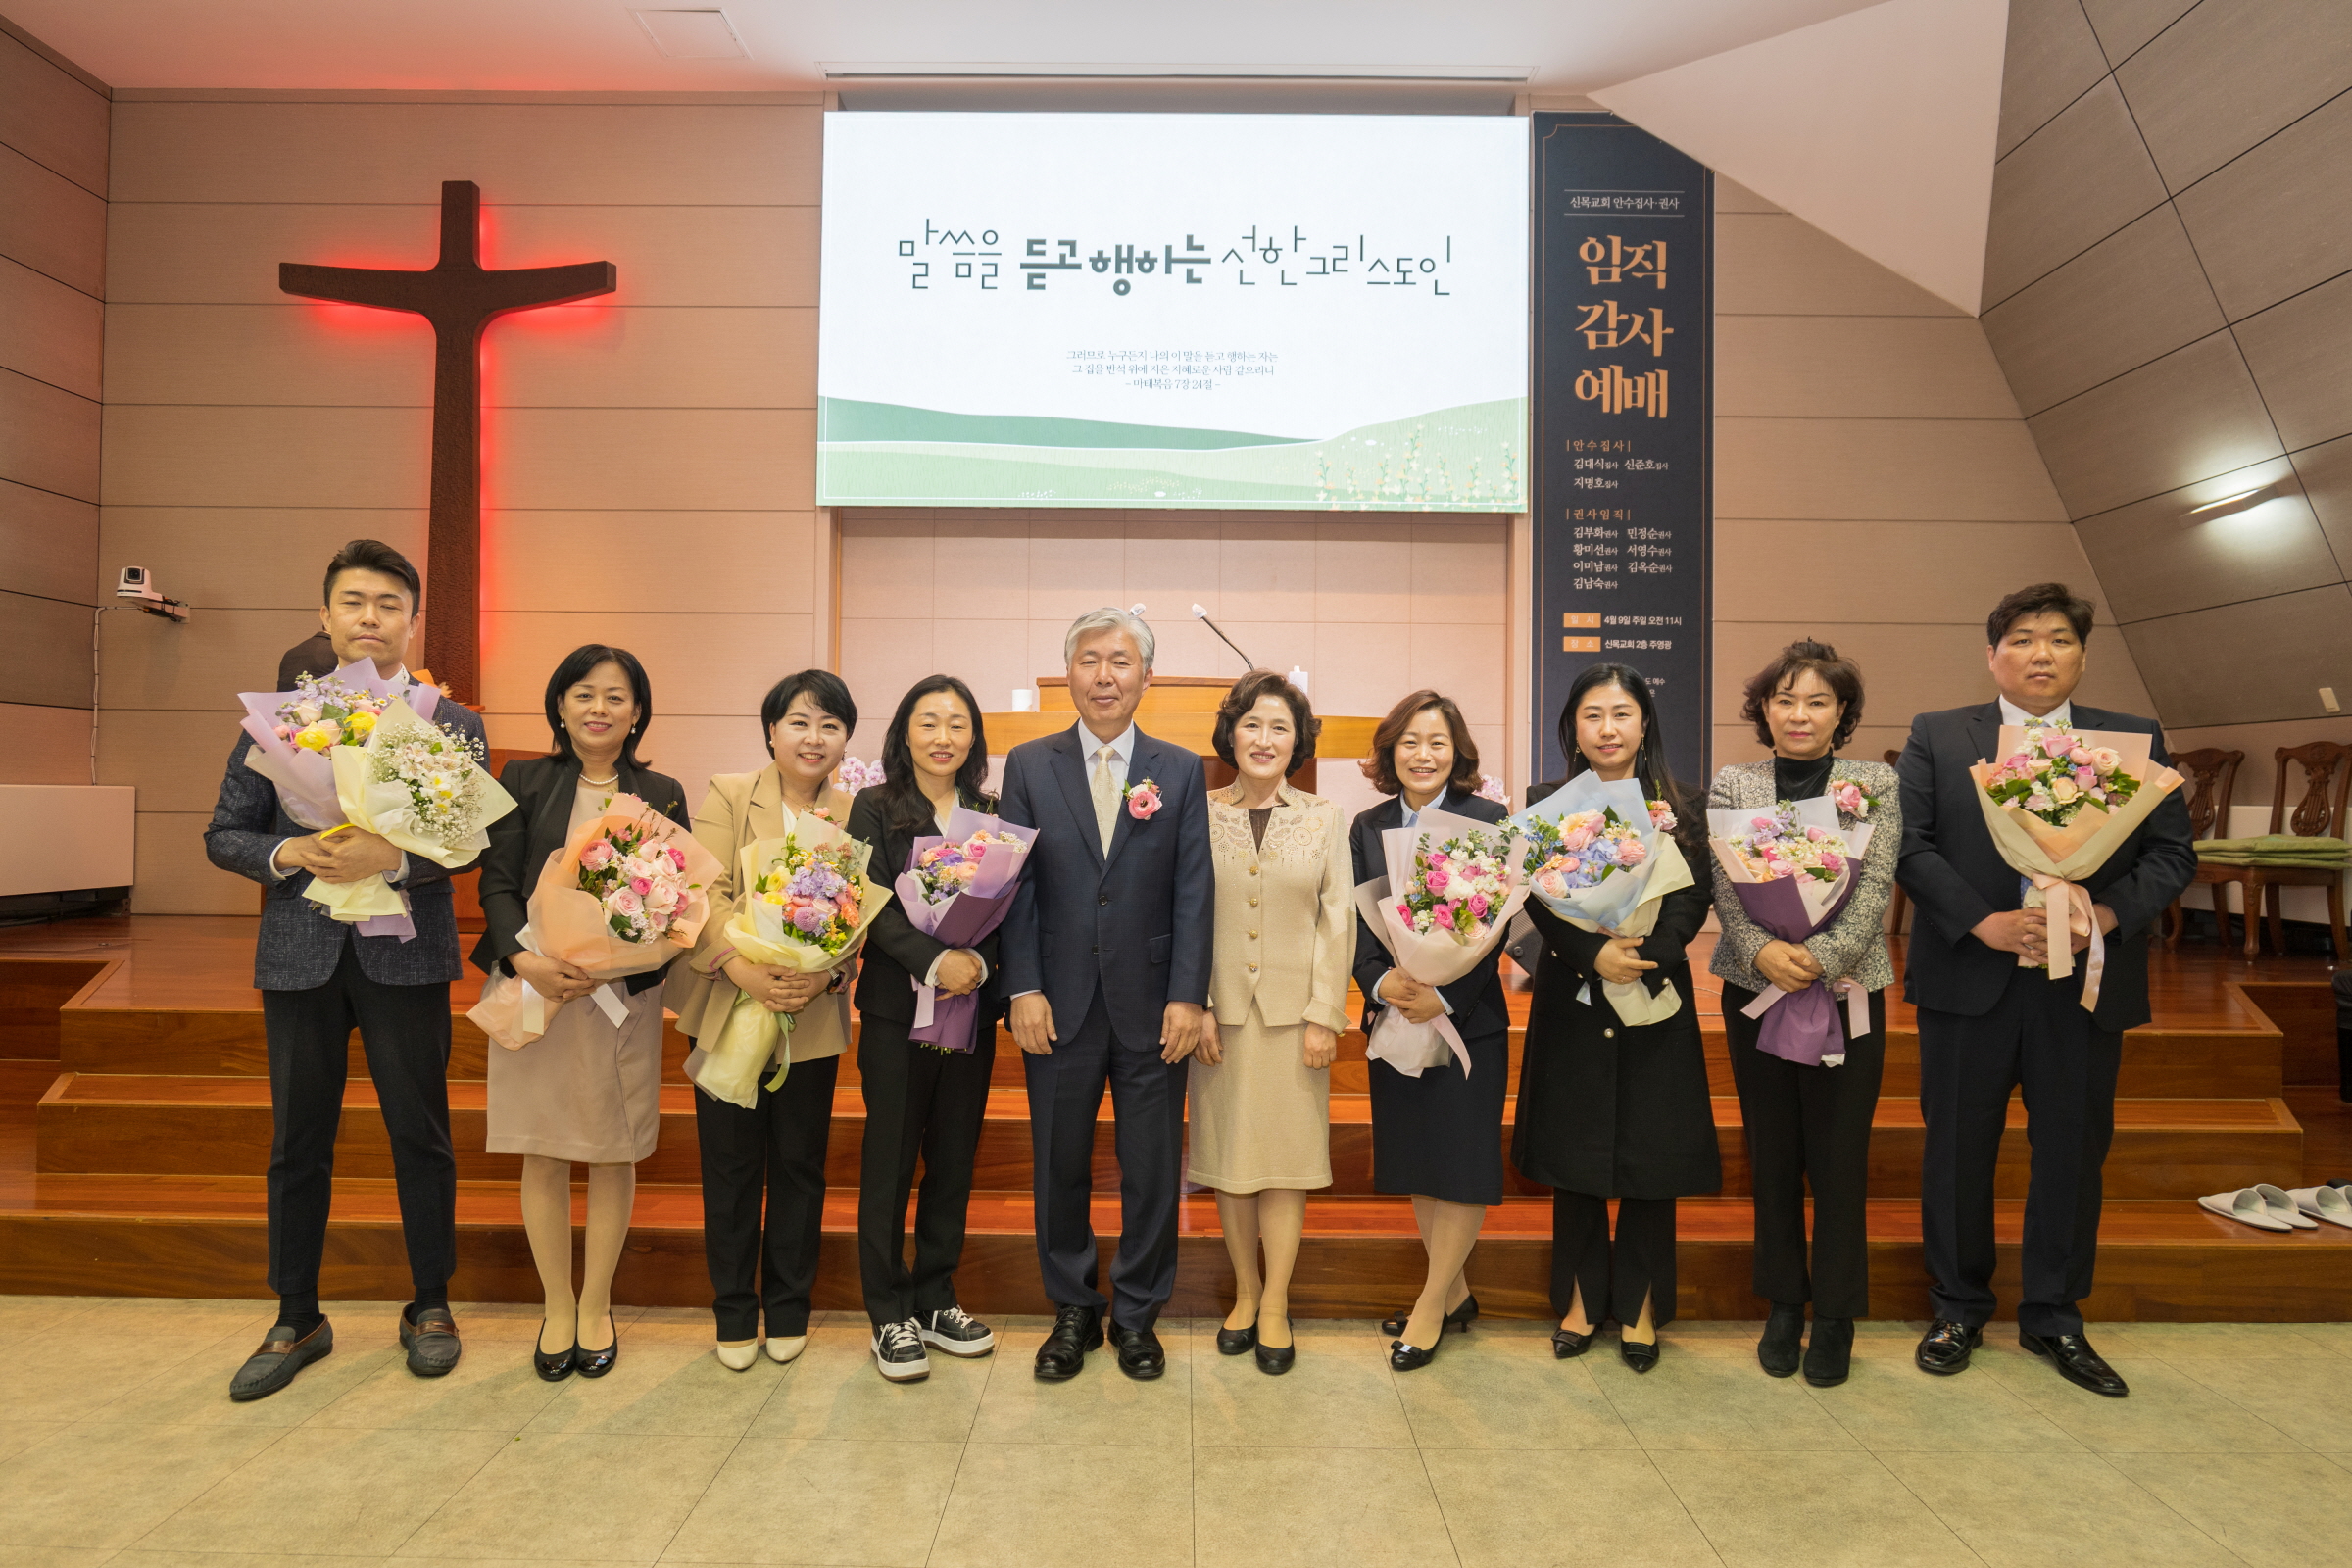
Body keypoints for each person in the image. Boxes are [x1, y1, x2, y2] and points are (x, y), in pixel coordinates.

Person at [204, 539, 487, 1399]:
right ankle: (296, 1315)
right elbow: (225, 833)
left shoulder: (449, 721)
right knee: (298, 1142)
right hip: (302, 953)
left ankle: (430, 1304)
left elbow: (472, 841)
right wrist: (289, 851)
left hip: (406, 954)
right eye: (354, 602)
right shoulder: (280, 720)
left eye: (389, 604)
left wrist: (392, 857)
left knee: (421, 1135)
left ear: (412, 621)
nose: (371, 618)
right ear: (324, 616)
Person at [1898, 584, 2194, 1397]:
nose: (2041, 654)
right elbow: (1911, 845)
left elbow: (2172, 854)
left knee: (2072, 1149)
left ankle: (2055, 1315)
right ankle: (1958, 1307)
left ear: (2082, 657)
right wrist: (1983, 923)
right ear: (1992, 654)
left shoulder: (2131, 739)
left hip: (2082, 986)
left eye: (2059, 640)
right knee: (1956, 1150)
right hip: (1972, 977)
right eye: (2023, 639)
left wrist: (2104, 915)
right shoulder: (1938, 735)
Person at [999, 607, 1212, 1382]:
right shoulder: (1029, 765)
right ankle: (1073, 1310)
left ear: (1147, 677)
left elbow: (1194, 887)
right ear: (1068, 674)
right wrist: (1022, 985)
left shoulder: (1178, 768)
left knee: (1151, 1168)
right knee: (1058, 1162)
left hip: (1154, 1005)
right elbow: (1013, 886)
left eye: (1120, 662)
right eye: (1089, 660)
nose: (1104, 676)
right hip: (1056, 1002)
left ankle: (1137, 1315)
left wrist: (1188, 995)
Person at [472, 645, 690, 1382]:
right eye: (584, 694)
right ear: (560, 706)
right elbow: (497, 882)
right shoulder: (524, 780)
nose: (600, 708)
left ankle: (596, 1304)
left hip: (620, 998)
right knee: (543, 1149)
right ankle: (556, 1305)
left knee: (611, 1149)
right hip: (538, 987)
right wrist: (524, 957)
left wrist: (621, 958)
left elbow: (679, 900)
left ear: (638, 712)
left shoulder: (661, 792)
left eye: (616, 696)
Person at [1706, 640, 1899, 1388]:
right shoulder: (1736, 783)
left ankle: (1838, 1314)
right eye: (1784, 699)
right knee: (1774, 1155)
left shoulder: (1874, 782)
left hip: (1846, 990)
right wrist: (1762, 952)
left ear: (1841, 711)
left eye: (1817, 701)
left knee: (1840, 1158)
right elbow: (1727, 885)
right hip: (1756, 990)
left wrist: (1821, 957)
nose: (1799, 714)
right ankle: (1784, 1303)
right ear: (1763, 709)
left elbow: (1875, 882)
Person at [1513, 664, 1715, 1373]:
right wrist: (1591, 953)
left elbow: (1693, 898)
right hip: (1573, 992)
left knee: (1651, 1158)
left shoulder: (1683, 805)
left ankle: (1640, 1306)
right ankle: (1577, 1300)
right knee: (1575, 1153)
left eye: (1622, 713)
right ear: (1573, 726)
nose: (1608, 728)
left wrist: (1643, 954)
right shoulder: (1545, 806)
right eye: (1592, 714)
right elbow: (1536, 898)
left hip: (1654, 996)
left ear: (1644, 723)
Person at [666, 670, 860, 1371]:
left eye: (830, 726)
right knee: (731, 1167)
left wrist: (826, 973)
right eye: (799, 722)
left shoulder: (853, 811)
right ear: (771, 731)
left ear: (845, 740)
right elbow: (704, 888)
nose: (814, 738)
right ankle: (732, 1313)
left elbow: (861, 908)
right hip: (728, 1003)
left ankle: (788, 1308)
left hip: (810, 1012)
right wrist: (743, 968)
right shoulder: (729, 793)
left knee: (801, 1168)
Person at [1190, 669, 1352, 1376]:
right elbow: (1183, 914)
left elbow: (1337, 919)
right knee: (1231, 1164)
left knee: (1286, 1167)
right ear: (1230, 734)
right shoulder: (1197, 813)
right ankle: (1246, 1293)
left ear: (1297, 741)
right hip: (1218, 1019)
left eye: (1279, 727)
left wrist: (1325, 1015)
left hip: (1295, 1021)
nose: (1263, 738)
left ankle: (1278, 1301)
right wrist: (1195, 1004)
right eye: (1251, 724)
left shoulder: (1324, 817)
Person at [844, 675, 1003, 1383]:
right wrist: (936, 961)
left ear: (974, 738)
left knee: (953, 1158)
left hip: (970, 1012)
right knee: (890, 1161)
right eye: (928, 722)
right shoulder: (875, 807)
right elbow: (870, 901)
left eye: (957, 724)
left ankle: (937, 1298)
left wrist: (978, 965)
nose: (943, 736)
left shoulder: (991, 814)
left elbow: (1010, 906)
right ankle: (888, 1311)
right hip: (895, 1012)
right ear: (904, 732)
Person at [1350, 690, 1510, 1371]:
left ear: (1457, 751)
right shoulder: (1367, 825)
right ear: (1391, 751)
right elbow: (1356, 919)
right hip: (1396, 1016)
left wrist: (1444, 994)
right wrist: (1381, 982)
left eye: (1437, 742)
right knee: (1421, 1162)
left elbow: (1496, 926)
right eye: (1410, 742)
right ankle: (1455, 1294)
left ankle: (1428, 1305)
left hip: (1469, 1020)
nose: (1423, 754)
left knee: (1463, 1167)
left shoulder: (1488, 819)